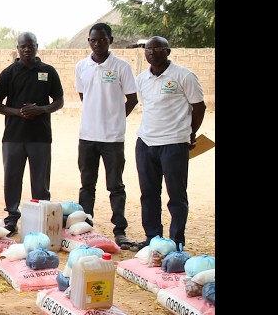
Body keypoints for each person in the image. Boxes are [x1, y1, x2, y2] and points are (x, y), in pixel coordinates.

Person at [134, 36, 206, 250]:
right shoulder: (142, 79)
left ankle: (176, 242)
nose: (152, 52)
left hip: (174, 144)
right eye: (148, 48)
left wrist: (191, 132)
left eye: (157, 48)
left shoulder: (184, 76)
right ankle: (152, 239)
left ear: (168, 51)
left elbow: (199, 107)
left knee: (176, 195)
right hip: (145, 143)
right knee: (148, 194)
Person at [0, 32, 64, 234]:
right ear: (17, 48)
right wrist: (18, 112)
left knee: (40, 181)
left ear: (37, 47)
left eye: (30, 46)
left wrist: (41, 109)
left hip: (40, 137)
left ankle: (41, 218)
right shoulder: (9, 73)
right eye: (22, 46)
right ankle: (12, 218)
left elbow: (59, 101)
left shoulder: (48, 72)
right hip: (13, 137)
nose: (26, 50)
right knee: (12, 178)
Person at [75, 22, 139, 247]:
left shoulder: (121, 66)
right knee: (87, 185)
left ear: (110, 40)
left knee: (115, 186)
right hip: (88, 136)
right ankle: (84, 228)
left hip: (113, 138)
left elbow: (132, 98)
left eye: (102, 39)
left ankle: (120, 231)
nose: (97, 43)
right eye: (93, 39)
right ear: (89, 41)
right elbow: (85, 95)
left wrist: (116, 118)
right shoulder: (81, 66)